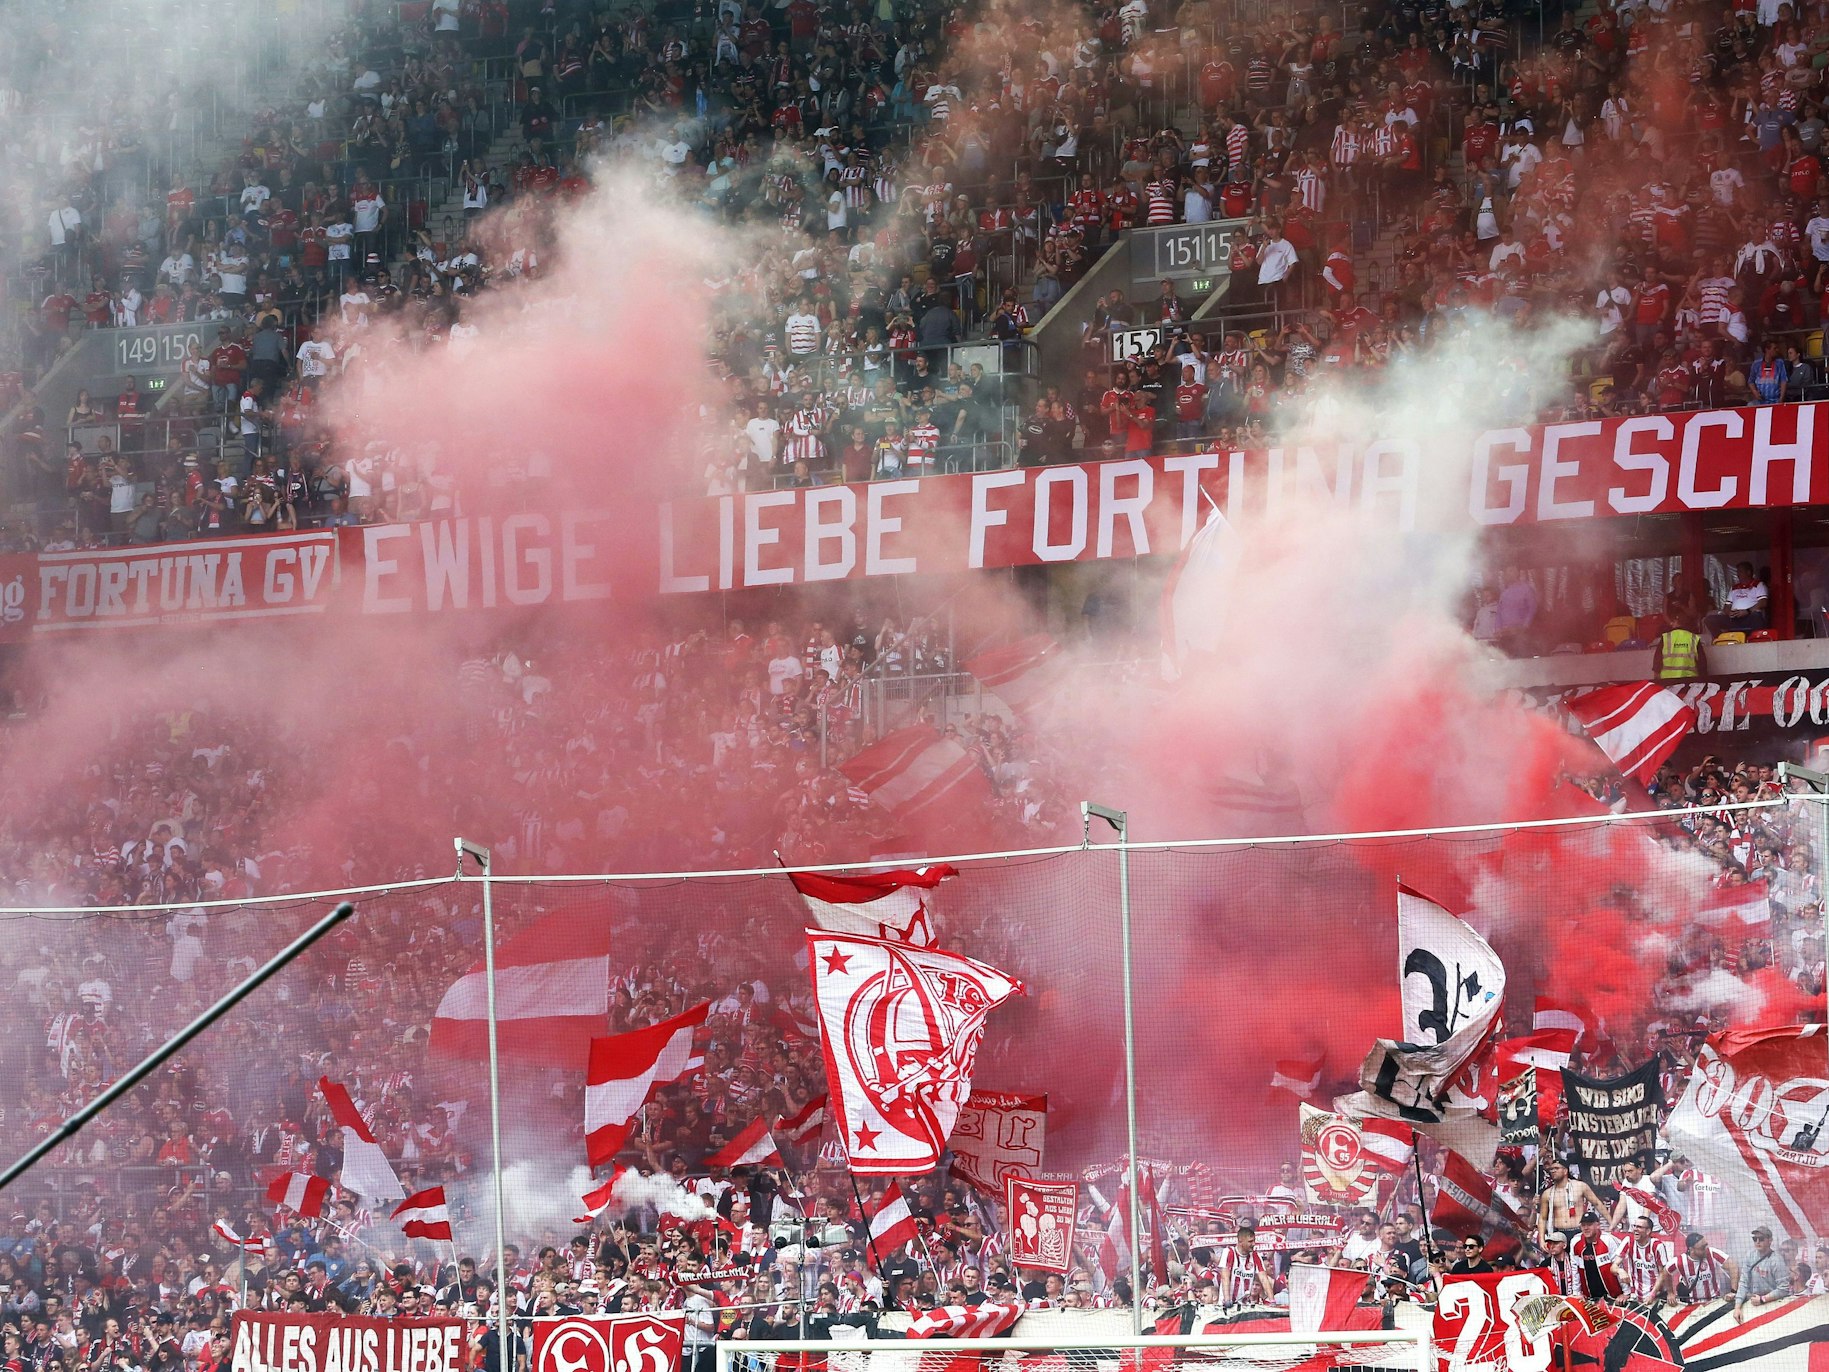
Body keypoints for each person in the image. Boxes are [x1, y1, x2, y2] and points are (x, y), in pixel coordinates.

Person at [1538, 1156, 1606, 1245]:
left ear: (1565, 1171)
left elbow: (1597, 1203)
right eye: (1552, 1169)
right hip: (1559, 1234)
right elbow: (1542, 1218)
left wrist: (1611, 1222)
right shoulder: (1548, 1193)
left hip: (1578, 1231)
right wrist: (1542, 1239)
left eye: (1556, 1168)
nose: (1553, 1171)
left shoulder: (1580, 1186)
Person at [1737, 1226, 1791, 1320]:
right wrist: (1737, 1307)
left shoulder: (1777, 1260)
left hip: (1772, 1304)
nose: (1757, 1241)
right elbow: (1743, 1283)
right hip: (1753, 1302)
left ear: (1770, 1241)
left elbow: (1783, 1288)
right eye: (1755, 1239)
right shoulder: (1750, 1255)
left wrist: (1763, 1299)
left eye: (1761, 1239)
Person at [1707, 562, 1771, 636]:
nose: (1738, 574)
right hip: (1734, 619)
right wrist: (1729, 613)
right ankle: (1720, 640)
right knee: (1710, 620)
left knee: (1756, 616)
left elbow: (1763, 602)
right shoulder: (1734, 588)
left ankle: (1755, 639)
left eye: (1740, 571)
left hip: (1750, 617)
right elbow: (1727, 607)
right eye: (1737, 572)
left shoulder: (1759, 585)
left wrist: (1747, 611)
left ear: (1748, 572)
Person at [1653, 606, 1708, 680]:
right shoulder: (1693, 638)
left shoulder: (1666, 637)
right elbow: (1702, 664)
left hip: (1667, 681)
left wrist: (1656, 676)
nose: (1671, 623)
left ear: (1676, 621)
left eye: (1673, 621)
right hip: (1690, 680)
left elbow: (1657, 659)